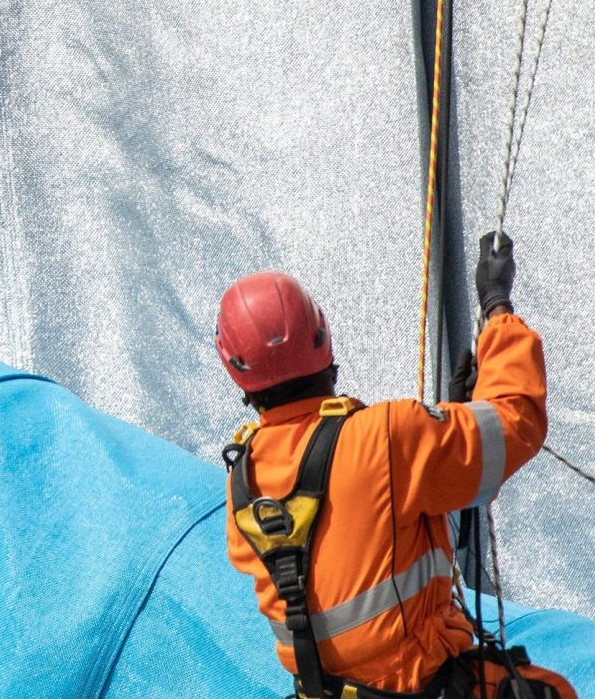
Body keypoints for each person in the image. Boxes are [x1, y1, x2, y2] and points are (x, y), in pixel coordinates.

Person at [218, 234, 576, 699]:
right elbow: (516, 422)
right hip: (421, 685)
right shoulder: (386, 435)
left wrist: (448, 420)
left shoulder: (243, 484)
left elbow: (356, 531)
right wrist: (498, 310)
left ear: (237, 371)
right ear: (321, 337)